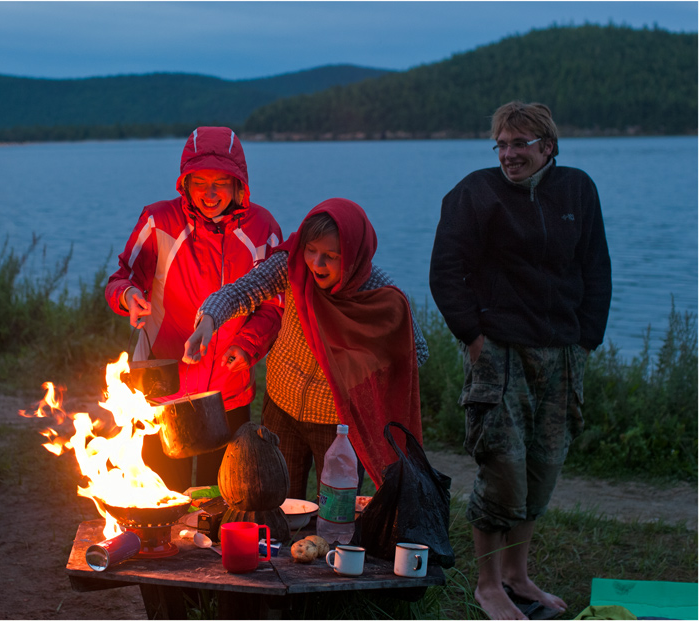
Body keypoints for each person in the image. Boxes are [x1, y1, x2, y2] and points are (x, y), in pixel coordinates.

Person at [429, 101, 612, 620]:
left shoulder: (578, 189)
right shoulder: (475, 193)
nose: (509, 155)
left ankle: (518, 575)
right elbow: (446, 272)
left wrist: (586, 342)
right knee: (503, 469)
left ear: (547, 147)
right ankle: (489, 585)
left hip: (563, 354)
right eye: (502, 145)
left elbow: (596, 267)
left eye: (520, 144)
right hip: (500, 354)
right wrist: (474, 337)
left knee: (542, 468)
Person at [184, 197, 428, 500]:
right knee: (274, 500)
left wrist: (363, 356)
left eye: (331, 255)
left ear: (353, 255)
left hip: (339, 422)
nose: (316, 263)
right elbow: (242, 290)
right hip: (282, 406)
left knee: (337, 512)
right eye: (311, 250)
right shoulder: (293, 265)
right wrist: (208, 319)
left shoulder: (377, 292)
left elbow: (416, 351)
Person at [105, 126, 283, 491]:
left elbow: (273, 306)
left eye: (221, 181)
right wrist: (128, 297)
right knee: (160, 494)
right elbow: (121, 277)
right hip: (162, 389)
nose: (210, 193)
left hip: (228, 390)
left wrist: (247, 346)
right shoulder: (159, 222)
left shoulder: (262, 229)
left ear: (239, 184)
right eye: (199, 182)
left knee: (223, 493)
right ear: (184, 183)